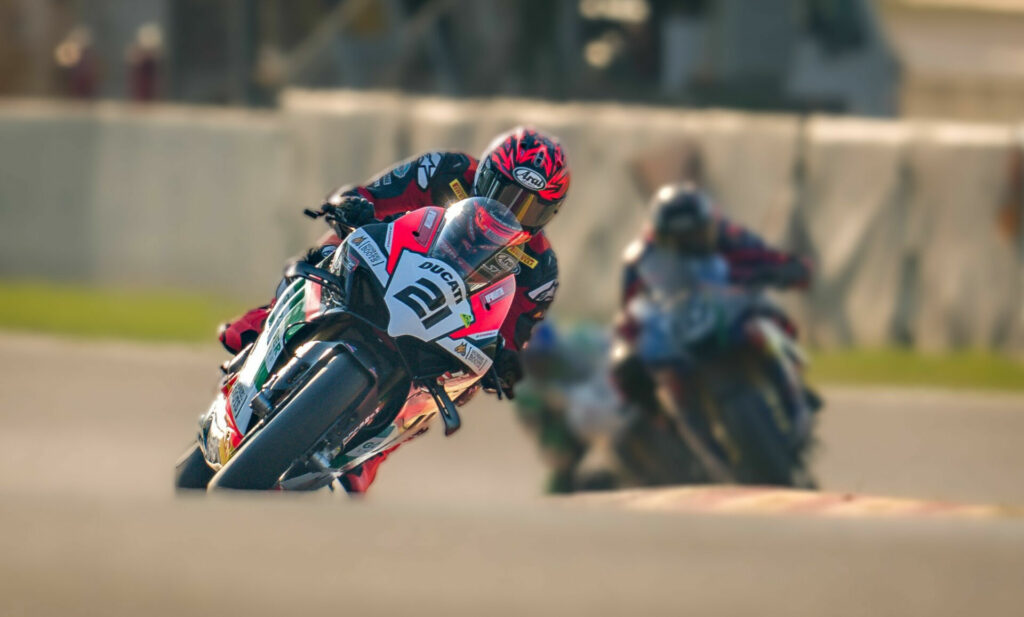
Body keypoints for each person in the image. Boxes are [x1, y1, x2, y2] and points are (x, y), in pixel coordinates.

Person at [218, 127, 570, 493]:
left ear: (550, 213)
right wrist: (353, 202)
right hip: (391, 263)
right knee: (333, 246)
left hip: (449, 323)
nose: (509, 210)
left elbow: (514, 337)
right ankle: (268, 317)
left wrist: (511, 364)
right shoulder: (444, 169)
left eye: (530, 207)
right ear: (485, 172)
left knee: (464, 385)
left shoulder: (540, 268)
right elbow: (379, 193)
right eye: (503, 191)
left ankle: (371, 451)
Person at [613, 182, 812, 416]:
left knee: (769, 314)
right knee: (630, 370)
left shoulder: (727, 235)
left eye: (695, 234)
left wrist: (787, 269)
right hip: (676, 329)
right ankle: (673, 424)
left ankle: (792, 385)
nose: (690, 243)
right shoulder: (640, 259)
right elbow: (630, 308)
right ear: (661, 237)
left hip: (730, 309)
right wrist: (630, 335)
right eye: (680, 240)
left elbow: (762, 256)